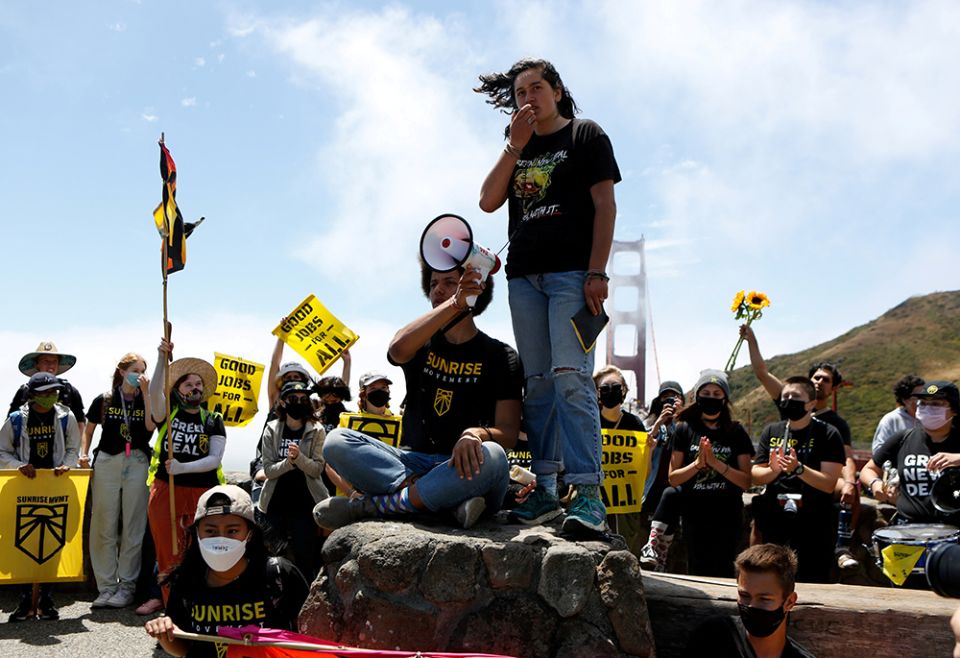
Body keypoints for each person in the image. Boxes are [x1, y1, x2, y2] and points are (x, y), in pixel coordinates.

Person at [476, 57, 621, 533]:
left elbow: (605, 204)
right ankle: (545, 488)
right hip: (524, 278)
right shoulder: (520, 146)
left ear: (557, 91)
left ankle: (588, 494)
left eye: (536, 88)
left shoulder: (585, 134)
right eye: (519, 92)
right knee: (537, 382)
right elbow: (488, 200)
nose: (528, 98)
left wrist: (597, 270)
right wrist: (513, 147)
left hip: (572, 275)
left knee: (571, 377)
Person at [312, 260, 522, 531]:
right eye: (433, 283)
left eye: (449, 283)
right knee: (336, 441)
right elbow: (397, 350)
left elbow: (508, 433)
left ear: (474, 288)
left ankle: (370, 506)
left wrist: (477, 434)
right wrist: (454, 303)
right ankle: (443, 505)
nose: (437, 290)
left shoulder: (501, 356)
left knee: (494, 455)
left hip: (464, 468)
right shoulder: (420, 342)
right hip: (411, 466)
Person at [740, 326, 860, 570]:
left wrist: (847, 482)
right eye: (815, 377)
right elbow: (762, 373)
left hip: (816, 498)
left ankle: (843, 544)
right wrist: (752, 340)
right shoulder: (776, 426)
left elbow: (843, 463)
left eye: (825, 380)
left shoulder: (833, 427)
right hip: (779, 503)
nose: (818, 382)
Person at [144, 485, 308, 658]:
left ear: (249, 533)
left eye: (232, 531)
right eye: (210, 531)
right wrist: (165, 634)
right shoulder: (186, 580)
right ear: (197, 533)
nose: (221, 539)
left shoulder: (278, 574)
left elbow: (309, 635)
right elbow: (184, 649)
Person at [641, 370, 754, 576]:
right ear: (697, 397)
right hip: (695, 512)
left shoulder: (736, 432)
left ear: (725, 398)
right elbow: (673, 478)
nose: (711, 397)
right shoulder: (685, 429)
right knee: (697, 569)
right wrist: (698, 464)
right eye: (706, 392)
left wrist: (715, 463)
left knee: (724, 570)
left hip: (727, 512)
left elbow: (746, 481)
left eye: (716, 393)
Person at [147, 338, 226, 603]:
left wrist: (182, 467)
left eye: (198, 384)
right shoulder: (168, 413)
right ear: (178, 389)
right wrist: (161, 358)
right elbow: (155, 395)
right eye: (188, 384)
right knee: (168, 552)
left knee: (199, 552)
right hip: (166, 491)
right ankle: (173, 610)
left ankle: (199, 607)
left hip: (202, 492)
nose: (194, 388)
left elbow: (214, 459)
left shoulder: (213, 420)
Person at [0, 372, 81, 622]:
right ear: (33, 394)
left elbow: (72, 450)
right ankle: (26, 600)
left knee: (51, 542)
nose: (51, 397)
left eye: (54, 392)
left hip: (55, 487)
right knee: (22, 541)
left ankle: (46, 599)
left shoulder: (66, 417)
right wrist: (18, 466)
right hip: (23, 487)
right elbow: (2, 451)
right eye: (45, 393)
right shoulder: (15, 420)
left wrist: (67, 465)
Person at [751, 377, 845, 583]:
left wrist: (798, 468)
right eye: (785, 397)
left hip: (814, 521)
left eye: (795, 397)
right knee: (771, 576)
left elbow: (829, 483)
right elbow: (756, 474)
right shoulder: (771, 431)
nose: (788, 401)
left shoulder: (828, 434)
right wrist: (773, 470)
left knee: (812, 579)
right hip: (776, 518)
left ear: (811, 403)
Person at [82, 353, 156, 609]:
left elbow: (149, 428)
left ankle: (126, 586)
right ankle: (106, 586)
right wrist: (83, 453)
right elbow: (89, 430)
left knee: (134, 525)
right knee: (103, 523)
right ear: (122, 371)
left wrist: (147, 393)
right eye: (135, 369)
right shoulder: (104, 399)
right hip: (107, 460)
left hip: (137, 460)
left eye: (144, 370)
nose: (140, 374)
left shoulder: (146, 398)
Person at [684, 544, 815, 658]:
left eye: (764, 599)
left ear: (789, 602)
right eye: (744, 595)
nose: (751, 605)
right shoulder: (711, 639)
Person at [861, 381, 960, 525]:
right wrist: (875, 484)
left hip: (953, 532)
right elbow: (869, 469)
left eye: (936, 404)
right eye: (923, 403)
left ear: (954, 410)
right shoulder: (903, 438)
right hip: (908, 528)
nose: (928, 409)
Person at [258, 381, 328, 580]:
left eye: (303, 399)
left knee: (305, 560)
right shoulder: (272, 429)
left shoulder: (317, 430)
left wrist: (299, 459)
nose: (299, 402)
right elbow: (269, 470)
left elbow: (316, 469)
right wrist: (289, 462)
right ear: (282, 402)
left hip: (305, 506)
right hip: (274, 504)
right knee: (271, 558)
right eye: (293, 399)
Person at [593, 365, 647, 552]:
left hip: (625, 500)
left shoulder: (635, 424)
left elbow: (642, 468)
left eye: (615, 387)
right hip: (595, 497)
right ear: (597, 392)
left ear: (624, 390)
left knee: (626, 547)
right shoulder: (590, 422)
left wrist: (649, 450)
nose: (611, 392)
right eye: (604, 388)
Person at [9, 341, 86, 436]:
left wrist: (74, 448)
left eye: (54, 361)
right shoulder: (24, 392)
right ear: (37, 364)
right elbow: (11, 423)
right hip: (27, 447)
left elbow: (80, 423)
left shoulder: (69, 391)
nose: (51, 365)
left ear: (58, 365)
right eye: (46, 361)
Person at [872, 375, 924, 454]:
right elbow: (879, 450)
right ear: (905, 399)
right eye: (919, 396)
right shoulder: (891, 420)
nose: (923, 399)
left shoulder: (931, 418)